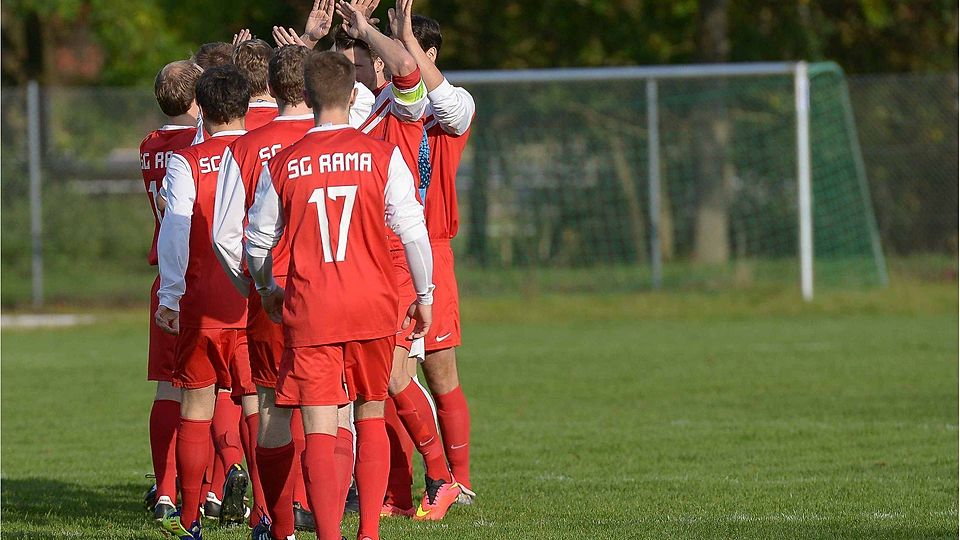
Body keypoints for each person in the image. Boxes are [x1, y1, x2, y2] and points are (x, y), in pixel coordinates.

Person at [244, 49, 433, 540]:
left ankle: (329, 534)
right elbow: (413, 231)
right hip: (373, 305)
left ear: (306, 97)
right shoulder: (382, 155)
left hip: (312, 309)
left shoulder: (284, 162)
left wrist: (267, 288)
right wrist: (425, 294)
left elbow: (257, 240)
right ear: (353, 96)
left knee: (320, 424)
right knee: (371, 411)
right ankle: (368, 532)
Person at [335, 0, 461, 520]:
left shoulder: (407, 108)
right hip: (369, 259)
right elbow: (333, 86)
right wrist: (329, 42)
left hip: (399, 260)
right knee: (374, 382)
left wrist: (373, 29)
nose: (366, 69)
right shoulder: (372, 107)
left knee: (391, 379)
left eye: (370, 60)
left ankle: (441, 477)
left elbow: (409, 72)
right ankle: (394, 491)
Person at [154, 64, 251, 540]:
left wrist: (170, 294)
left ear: (202, 110)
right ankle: (266, 517)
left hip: (203, 298)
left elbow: (175, 228)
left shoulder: (187, 160)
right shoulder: (264, 153)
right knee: (257, 405)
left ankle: (190, 518)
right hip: (253, 301)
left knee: (196, 404)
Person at [389, 0, 478, 506]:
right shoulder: (386, 107)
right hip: (385, 253)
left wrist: (409, 44)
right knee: (389, 376)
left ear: (430, 53)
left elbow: (447, 105)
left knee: (440, 370)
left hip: (433, 250)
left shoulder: (452, 107)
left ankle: (459, 481)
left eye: (408, 51)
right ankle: (402, 486)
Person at [139, 59, 201, 521]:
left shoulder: (149, 145)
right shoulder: (192, 146)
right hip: (199, 276)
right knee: (207, 387)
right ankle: (212, 488)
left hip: (165, 278)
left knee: (167, 388)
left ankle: (164, 490)